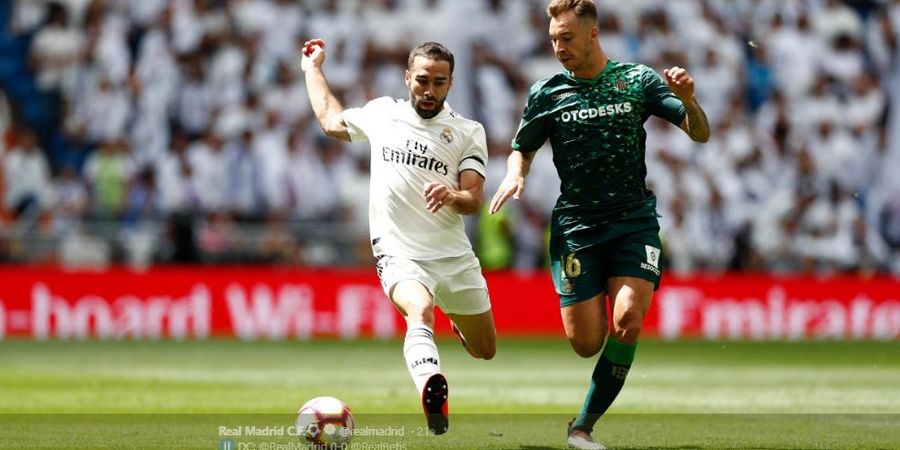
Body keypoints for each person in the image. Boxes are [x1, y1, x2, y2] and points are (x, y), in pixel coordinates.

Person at [489, 1, 710, 449]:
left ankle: (583, 426)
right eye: (552, 39)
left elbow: (699, 132)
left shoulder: (637, 80)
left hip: (634, 221)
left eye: (566, 38)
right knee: (586, 342)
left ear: (592, 34)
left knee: (627, 319)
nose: (558, 48)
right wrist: (516, 173)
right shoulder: (547, 91)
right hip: (577, 227)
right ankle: (590, 400)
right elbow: (522, 146)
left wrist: (689, 101)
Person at [301, 39, 496, 435]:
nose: (429, 90)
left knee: (485, 350)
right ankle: (430, 387)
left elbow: (474, 200)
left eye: (439, 82)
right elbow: (330, 120)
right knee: (419, 311)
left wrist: (452, 195)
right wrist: (312, 69)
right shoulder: (382, 114)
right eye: (422, 80)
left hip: (452, 255)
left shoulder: (467, 131)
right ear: (407, 77)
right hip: (400, 253)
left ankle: (457, 324)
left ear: (450, 84)